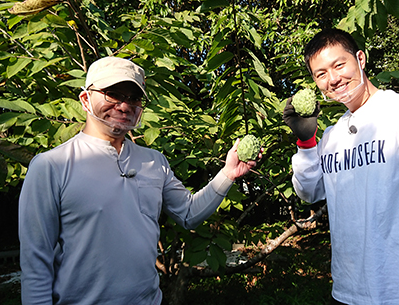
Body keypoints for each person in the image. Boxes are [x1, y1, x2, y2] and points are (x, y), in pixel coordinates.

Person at [19, 56, 260, 305]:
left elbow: (189, 214)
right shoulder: (51, 166)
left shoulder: (154, 162)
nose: (125, 106)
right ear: (85, 99)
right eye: (113, 94)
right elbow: (36, 262)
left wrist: (228, 174)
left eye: (134, 98)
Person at [282, 28, 399, 305]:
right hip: (347, 290)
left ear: (361, 59)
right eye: (320, 74)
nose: (333, 79)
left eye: (339, 65)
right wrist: (306, 142)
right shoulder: (332, 136)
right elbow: (310, 192)